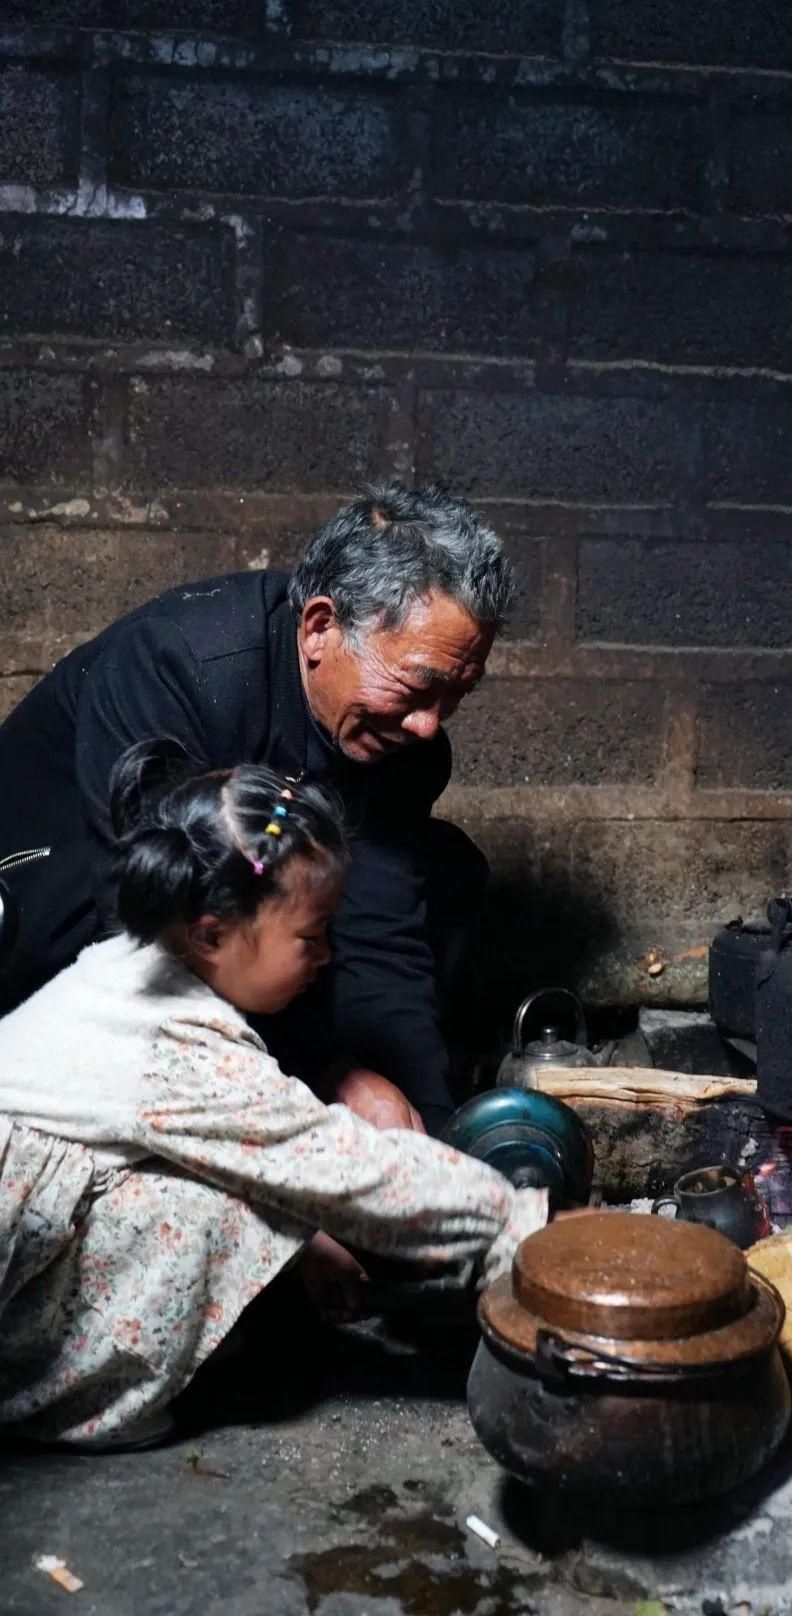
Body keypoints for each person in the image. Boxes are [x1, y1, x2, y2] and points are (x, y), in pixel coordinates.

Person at [0, 742, 549, 1450]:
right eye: (312, 937)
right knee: (204, 1212)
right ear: (211, 933)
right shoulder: (177, 1051)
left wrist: (299, 1247)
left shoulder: (131, 967)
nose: (326, 958)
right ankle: (67, 1403)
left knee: (233, 1188)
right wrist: (514, 1221)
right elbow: (345, 1166)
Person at [0, 482, 510, 1134]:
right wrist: (322, 1073)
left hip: (227, 911)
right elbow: (151, 924)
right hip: (70, 905)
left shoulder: (405, 743)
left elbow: (384, 935)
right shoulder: (179, 665)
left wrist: (427, 1133)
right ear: (321, 628)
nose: (429, 725)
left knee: (443, 873)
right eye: (418, 687)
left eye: (457, 695)